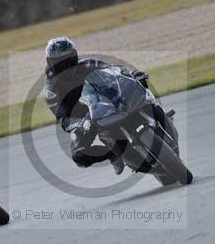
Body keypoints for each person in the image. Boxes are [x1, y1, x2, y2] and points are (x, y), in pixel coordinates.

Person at [43, 37, 150, 175]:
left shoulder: (89, 64)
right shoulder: (51, 90)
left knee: (140, 87)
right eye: (59, 64)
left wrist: (133, 74)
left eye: (68, 61)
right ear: (50, 63)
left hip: (110, 101)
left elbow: (117, 71)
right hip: (86, 119)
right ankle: (113, 155)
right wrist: (80, 123)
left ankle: (160, 116)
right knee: (79, 155)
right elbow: (64, 119)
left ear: (74, 57)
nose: (65, 67)